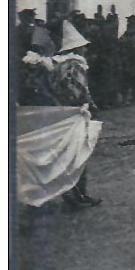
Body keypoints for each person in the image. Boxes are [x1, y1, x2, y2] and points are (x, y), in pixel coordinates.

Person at [49, 20, 103, 210]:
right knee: (79, 154)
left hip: (61, 113)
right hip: (75, 113)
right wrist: (89, 105)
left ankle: (71, 194)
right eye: (83, 48)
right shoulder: (76, 66)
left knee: (68, 154)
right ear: (77, 48)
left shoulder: (57, 65)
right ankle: (78, 195)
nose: (85, 51)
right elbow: (78, 91)